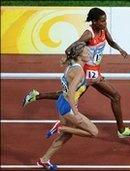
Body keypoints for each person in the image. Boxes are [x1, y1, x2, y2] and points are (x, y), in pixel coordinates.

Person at [23, 7, 130, 138]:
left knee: (70, 95)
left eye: (105, 20)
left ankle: (36, 96)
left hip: (94, 70)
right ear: (94, 21)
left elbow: (111, 41)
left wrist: (120, 49)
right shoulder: (88, 34)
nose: (105, 23)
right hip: (87, 73)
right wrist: (68, 59)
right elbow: (71, 48)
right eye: (102, 21)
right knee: (115, 96)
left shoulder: (103, 30)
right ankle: (122, 130)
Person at [37, 42, 99, 171]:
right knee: (94, 132)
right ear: (79, 55)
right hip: (67, 107)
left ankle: (43, 160)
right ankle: (60, 127)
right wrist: (76, 113)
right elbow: (71, 91)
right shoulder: (79, 71)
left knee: (67, 135)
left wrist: (89, 82)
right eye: (86, 52)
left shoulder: (71, 66)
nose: (89, 53)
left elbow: (73, 85)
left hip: (61, 102)